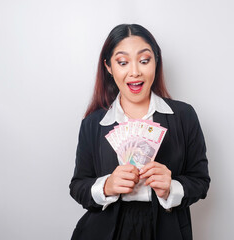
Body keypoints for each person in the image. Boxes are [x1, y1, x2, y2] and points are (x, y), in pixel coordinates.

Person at [69, 24, 210, 240]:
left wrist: (171, 188)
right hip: (105, 231)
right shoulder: (93, 123)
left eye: (144, 60)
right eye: (123, 62)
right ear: (108, 67)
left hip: (166, 229)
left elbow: (200, 182)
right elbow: (78, 186)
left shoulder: (184, 115)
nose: (134, 71)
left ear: (156, 61)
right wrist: (106, 186)